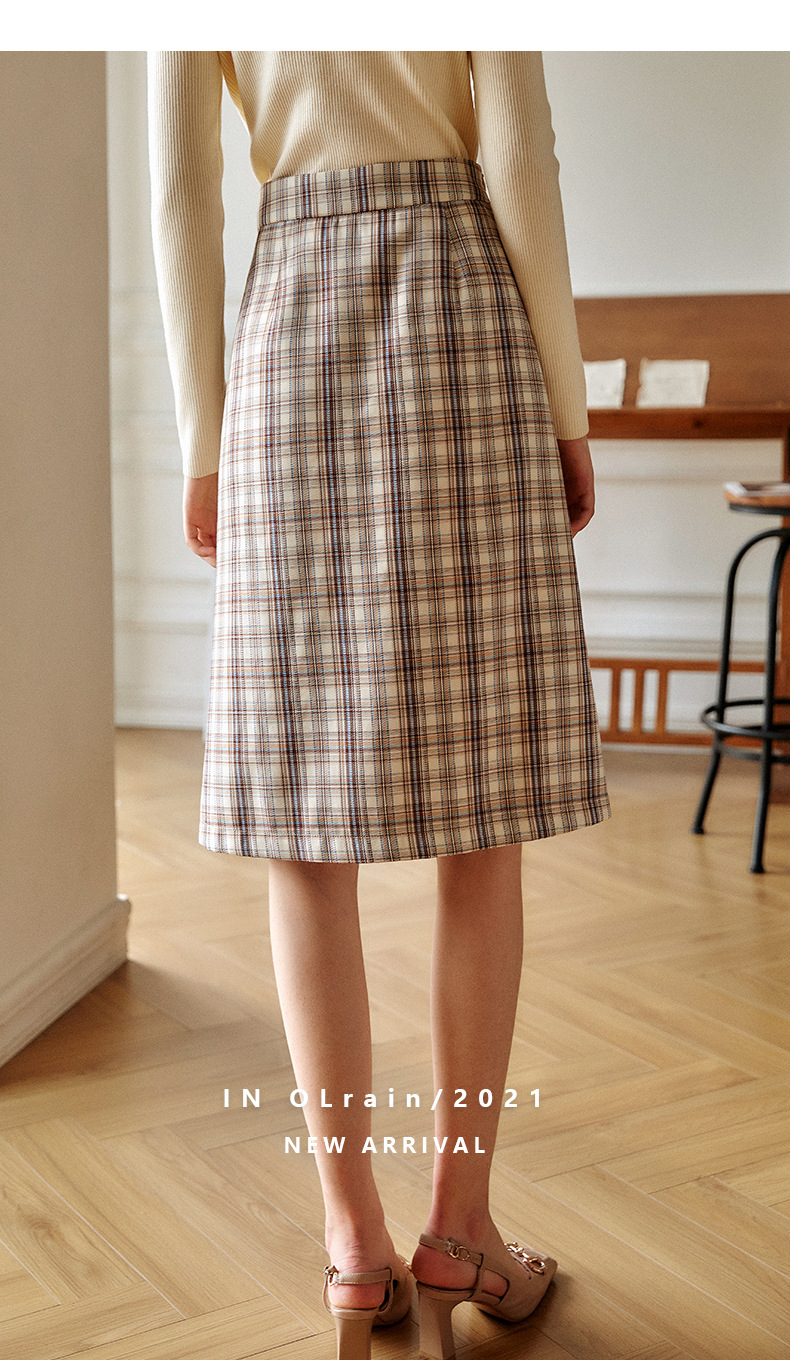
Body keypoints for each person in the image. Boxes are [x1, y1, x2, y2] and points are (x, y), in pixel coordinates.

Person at [149, 50, 609, 1360]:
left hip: (289, 325)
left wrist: (203, 440)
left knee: (304, 826)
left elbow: (182, 194)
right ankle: (461, 1225)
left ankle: (352, 1244)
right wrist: (567, 411)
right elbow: (519, 158)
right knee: (485, 811)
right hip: (466, 317)